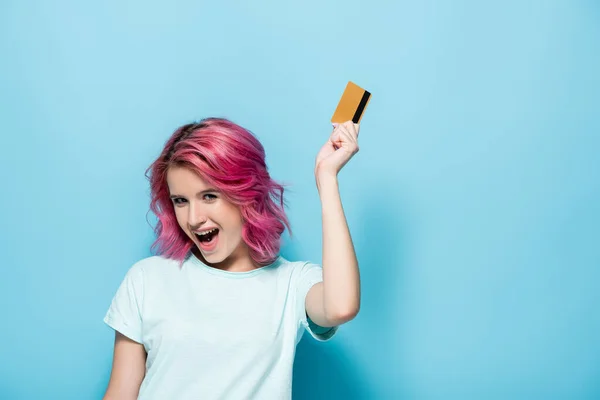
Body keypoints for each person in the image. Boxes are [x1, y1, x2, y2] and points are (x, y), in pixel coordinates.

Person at [102, 117, 361, 399]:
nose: (194, 218)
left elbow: (339, 307)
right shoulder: (146, 279)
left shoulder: (292, 284)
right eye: (181, 200)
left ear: (246, 194)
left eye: (209, 196)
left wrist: (327, 177)